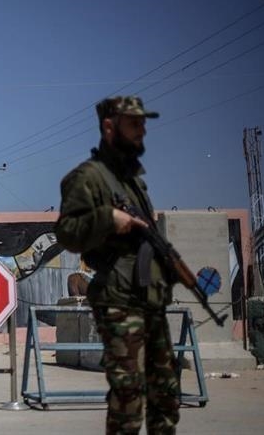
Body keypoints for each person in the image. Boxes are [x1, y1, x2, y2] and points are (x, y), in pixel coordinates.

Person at [55, 96, 179, 434]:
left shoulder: (133, 182)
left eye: (143, 124)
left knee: (166, 390)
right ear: (109, 127)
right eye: (133, 123)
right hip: (118, 299)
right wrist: (107, 219)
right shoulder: (87, 177)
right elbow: (67, 232)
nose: (142, 131)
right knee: (129, 394)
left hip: (149, 297)